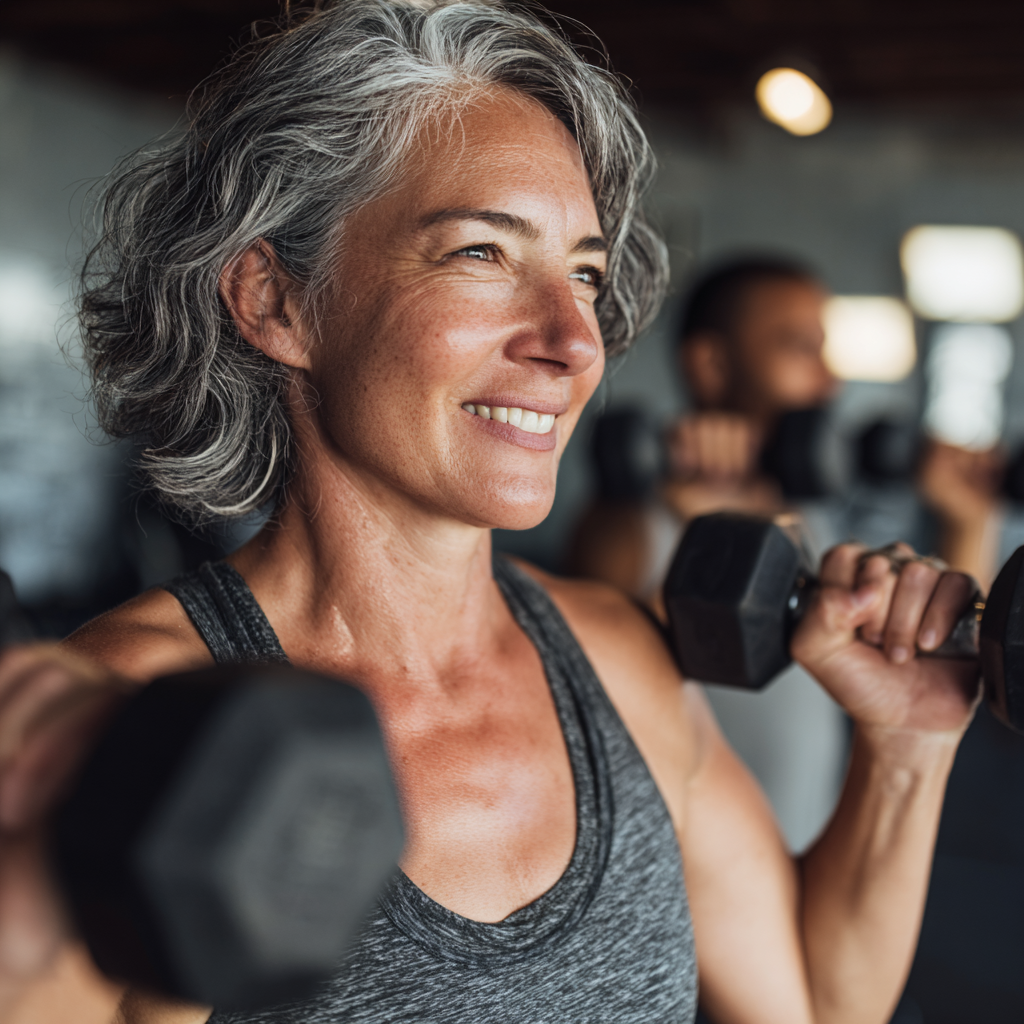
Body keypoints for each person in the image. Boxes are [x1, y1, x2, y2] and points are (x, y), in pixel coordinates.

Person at [0, 4, 980, 1024]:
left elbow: (813, 1006)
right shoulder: (128, 722)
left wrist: (904, 747)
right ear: (277, 301)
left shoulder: (616, 662)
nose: (572, 340)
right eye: (480, 253)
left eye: (586, 275)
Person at [571, 259, 849, 850]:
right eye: (802, 348)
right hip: (678, 887)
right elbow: (578, 688)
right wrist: (699, 527)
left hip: (798, 863)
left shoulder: (808, 515)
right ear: (713, 365)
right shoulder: (632, 519)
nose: (830, 381)